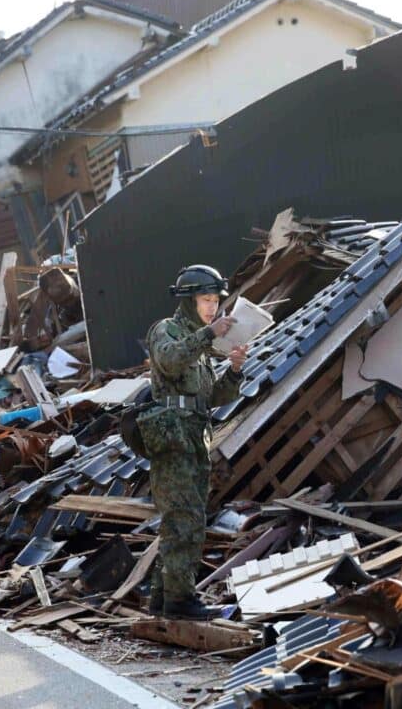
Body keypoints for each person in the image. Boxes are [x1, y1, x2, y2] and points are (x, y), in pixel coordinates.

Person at [139, 265, 248, 619]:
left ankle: (163, 598)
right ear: (188, 301)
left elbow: (211, 395)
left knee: (185, 517)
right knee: (183, 518)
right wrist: (207, 335)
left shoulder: (201, 343)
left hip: (194, 435)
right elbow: (169, 363)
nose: (212, 308)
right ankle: (181, 601)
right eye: (205, 300)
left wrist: (233, 370)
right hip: (173, 439)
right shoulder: (167, 331)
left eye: (216, 300)